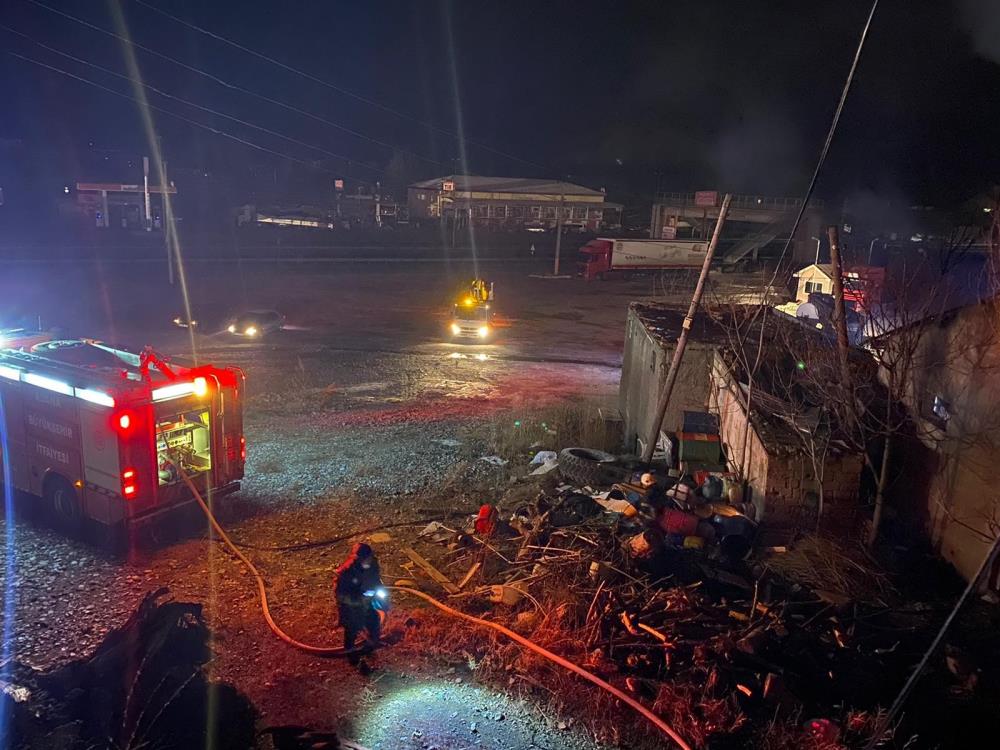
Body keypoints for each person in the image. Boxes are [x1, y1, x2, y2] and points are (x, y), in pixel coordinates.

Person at [334, 542, 384, 656]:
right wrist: (357, 601)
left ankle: (371, 645)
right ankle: (350, 652)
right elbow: (340, 594)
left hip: (366, 601)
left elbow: (375, 579)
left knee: (374, 621)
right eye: (364, 558)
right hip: (352, 605)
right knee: (352, 627)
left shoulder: (373, 564)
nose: (367, 560)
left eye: (368, 558)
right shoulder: (347, 571)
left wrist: (378, 591)